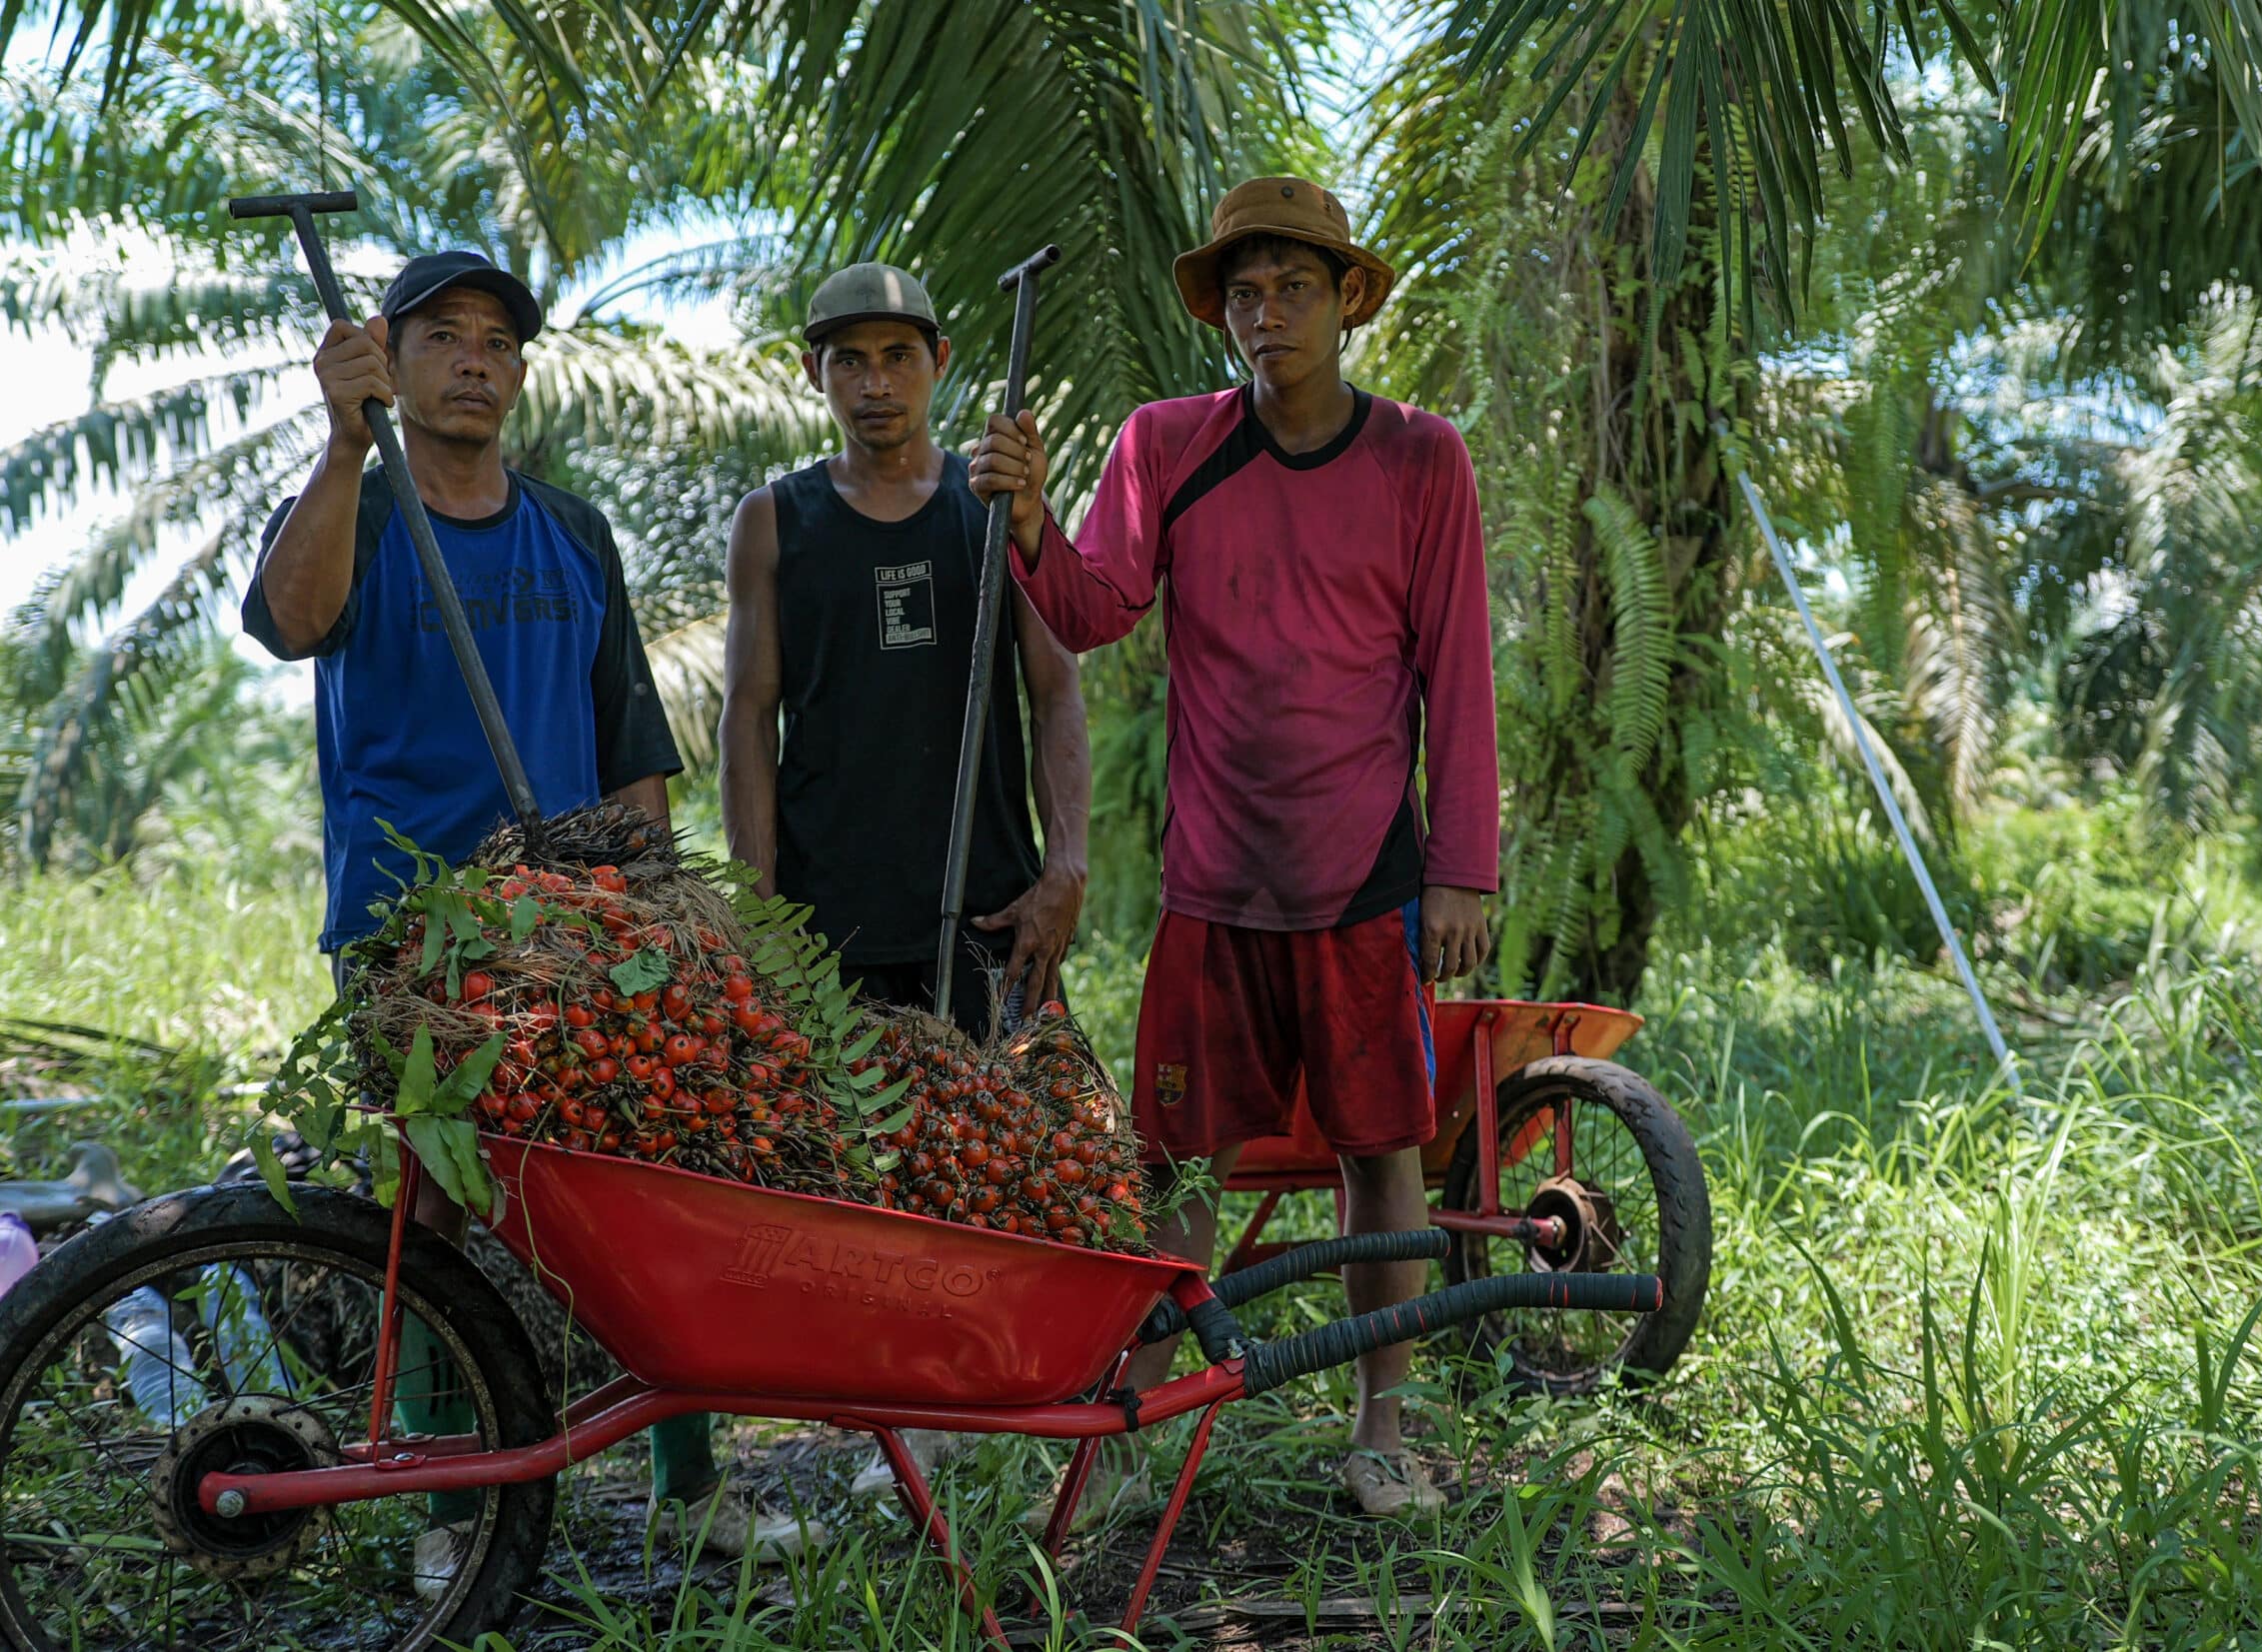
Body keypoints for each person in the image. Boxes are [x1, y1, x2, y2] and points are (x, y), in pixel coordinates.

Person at [241, 250, 823, 1595]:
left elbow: (630, 728)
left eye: (497, 342)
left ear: (519, 371)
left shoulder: (574, 528)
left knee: (653, 1176)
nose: (474, 361)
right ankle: (448, 1486)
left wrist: (658, 901)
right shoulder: (364, 510)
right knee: (441, 1193)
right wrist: (339, 446)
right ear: (392, 357)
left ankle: (691, 1481)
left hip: (574, 920)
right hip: (415, 925)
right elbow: (290, 620)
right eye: (442, 335)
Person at [970, 177, 1497, 1519]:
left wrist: (1461, 870)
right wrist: (1030, 519)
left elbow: (1460, 677)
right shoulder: (1167, 445)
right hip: (1217, 872)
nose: (1269, 315)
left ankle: (1386, 1425)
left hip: (1366, 871)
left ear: (1348, 301)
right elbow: (1091, 610)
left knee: (1381, 1152)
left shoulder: (1421, 460)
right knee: (1175, 1162)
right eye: (1247, 294)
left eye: (1296, 289)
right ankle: (1134, 1433)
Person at [719, 262, 1091, 1493]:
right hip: (834, 912)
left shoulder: (993, 509)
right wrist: (756, 895)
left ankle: (1004, 1402)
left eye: (896, 356)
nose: (873, 383)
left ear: (938, 361)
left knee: (996, 1158)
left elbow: (1057, 693)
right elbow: (748, 717)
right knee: (857, 1175)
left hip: (984, 905)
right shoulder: (776, 518)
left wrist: (1066, 866)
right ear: (812, 372)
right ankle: (891, 1418)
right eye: (847, 360)